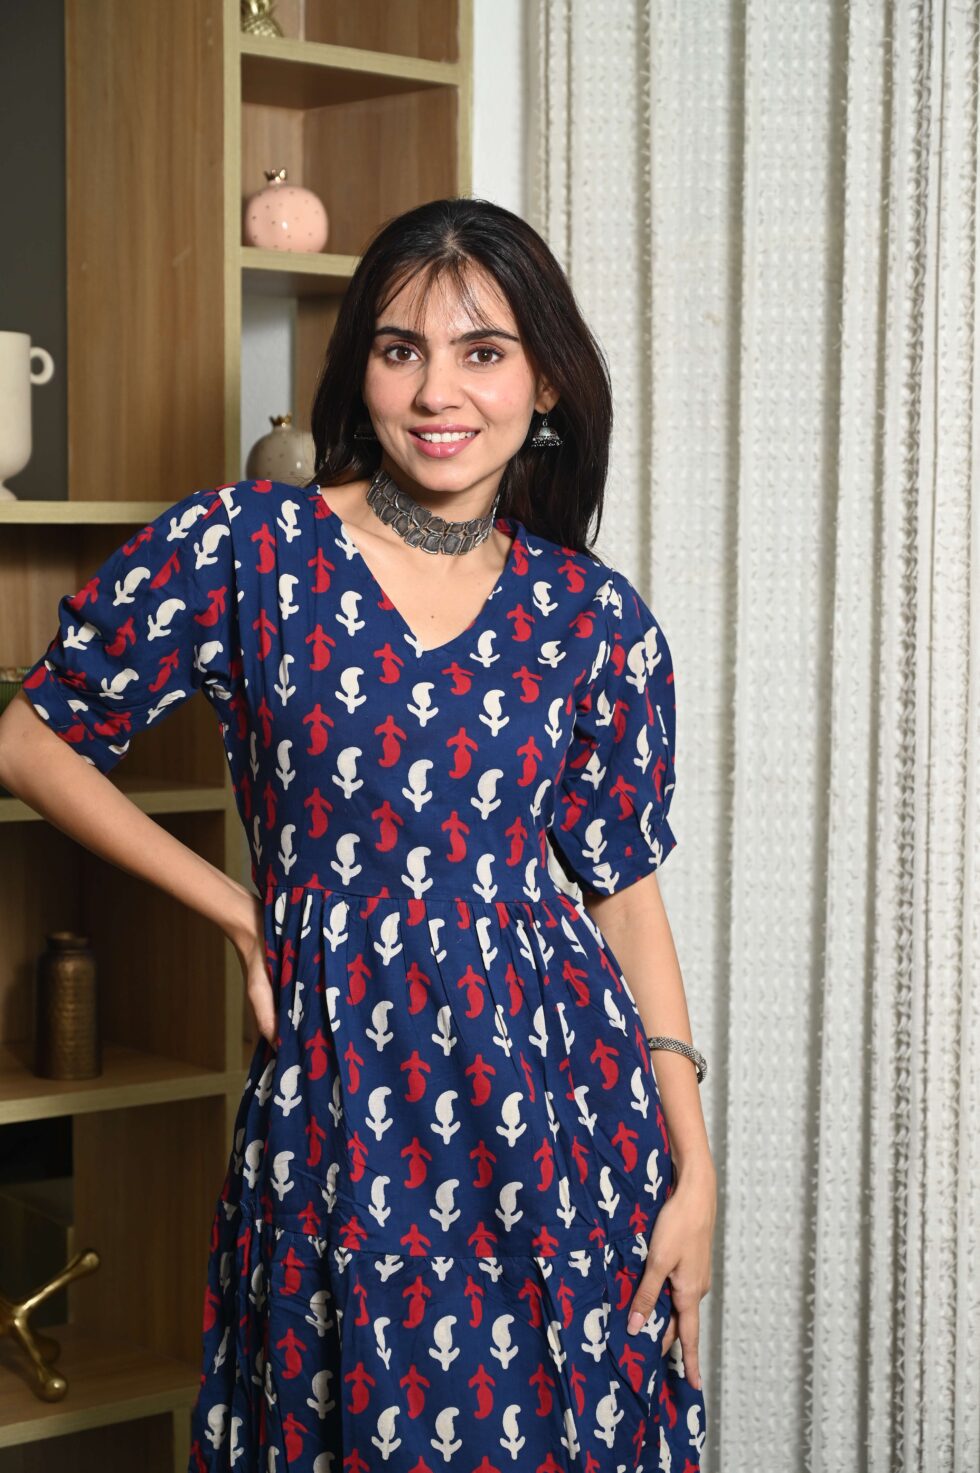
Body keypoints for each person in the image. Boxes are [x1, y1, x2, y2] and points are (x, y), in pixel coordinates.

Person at [0, 196, 716, 1471]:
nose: (438, 392)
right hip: (348, 1102)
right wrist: (243, 917)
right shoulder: (247, 549)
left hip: (562, 1115)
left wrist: (694, 1174)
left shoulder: (591, 616)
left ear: (544, 381)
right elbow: (30, 740)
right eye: (400, 350)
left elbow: (623, 896)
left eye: (482, 352)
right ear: (361, 370)